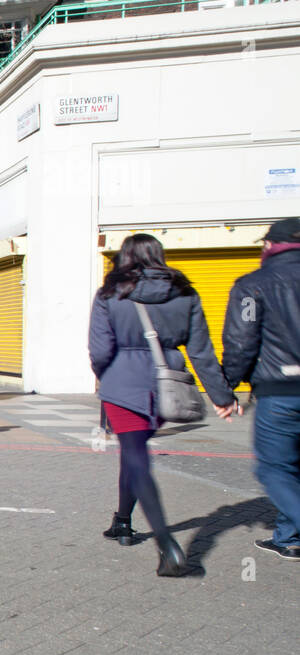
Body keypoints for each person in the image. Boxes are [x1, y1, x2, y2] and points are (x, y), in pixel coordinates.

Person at [88, 233, 237, 577]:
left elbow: (99, 351)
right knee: (134, 451)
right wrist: (222, 396)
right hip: (166, 385)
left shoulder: (111, 294)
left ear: (125, 257)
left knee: (136, 456)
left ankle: (167, 545)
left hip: (123, 385)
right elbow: (201, 351)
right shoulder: (185, 293)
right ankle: (122, 522)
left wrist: (107, 377)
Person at [222, 217, 300, 562]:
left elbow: (241, 342)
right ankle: (288, 537)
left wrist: (227, 388)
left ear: (271, 246)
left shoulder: (253, 285)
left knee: (273, 468)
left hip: (280, 391)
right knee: (292, 467)